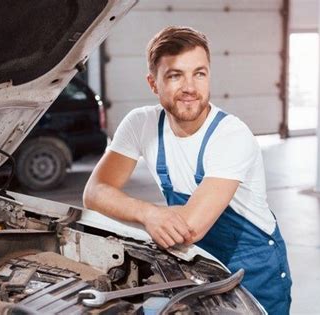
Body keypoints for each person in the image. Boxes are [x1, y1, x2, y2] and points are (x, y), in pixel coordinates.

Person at [83, 26, 292, 314]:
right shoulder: (140, 124)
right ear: (153, 83)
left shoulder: (231, 135)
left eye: (199, 73)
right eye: (175, 75)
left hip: (254, 270)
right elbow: (94, 193)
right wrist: (149, 213)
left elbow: (191, 227)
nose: (190, 88)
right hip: (198, 266)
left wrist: (137, 211)